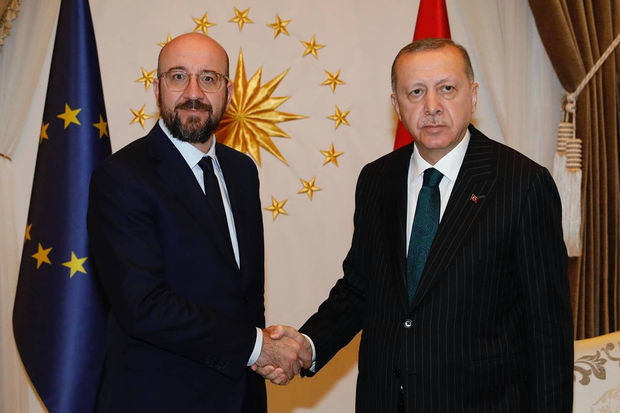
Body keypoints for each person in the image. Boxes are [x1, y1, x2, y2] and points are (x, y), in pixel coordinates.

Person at [262, 38, 574, 411]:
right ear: (396, 105)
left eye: (447, 89)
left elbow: (548, 330)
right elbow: (361, 288)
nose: (432, 106)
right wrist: (307, 345)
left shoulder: (522, 184)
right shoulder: (377, 180)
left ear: (473, 96)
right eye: (416, 92)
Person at [87, 33, 310, 412]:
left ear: (229, 92)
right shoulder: (121, 176)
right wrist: (258, 347)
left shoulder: (242, 171)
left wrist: (264, 353)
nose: (194, 92)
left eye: (209, 78)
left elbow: (243, 296)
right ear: (157, 88)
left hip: (241, 397)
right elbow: (144, 306)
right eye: (178, 77)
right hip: (157, 401)